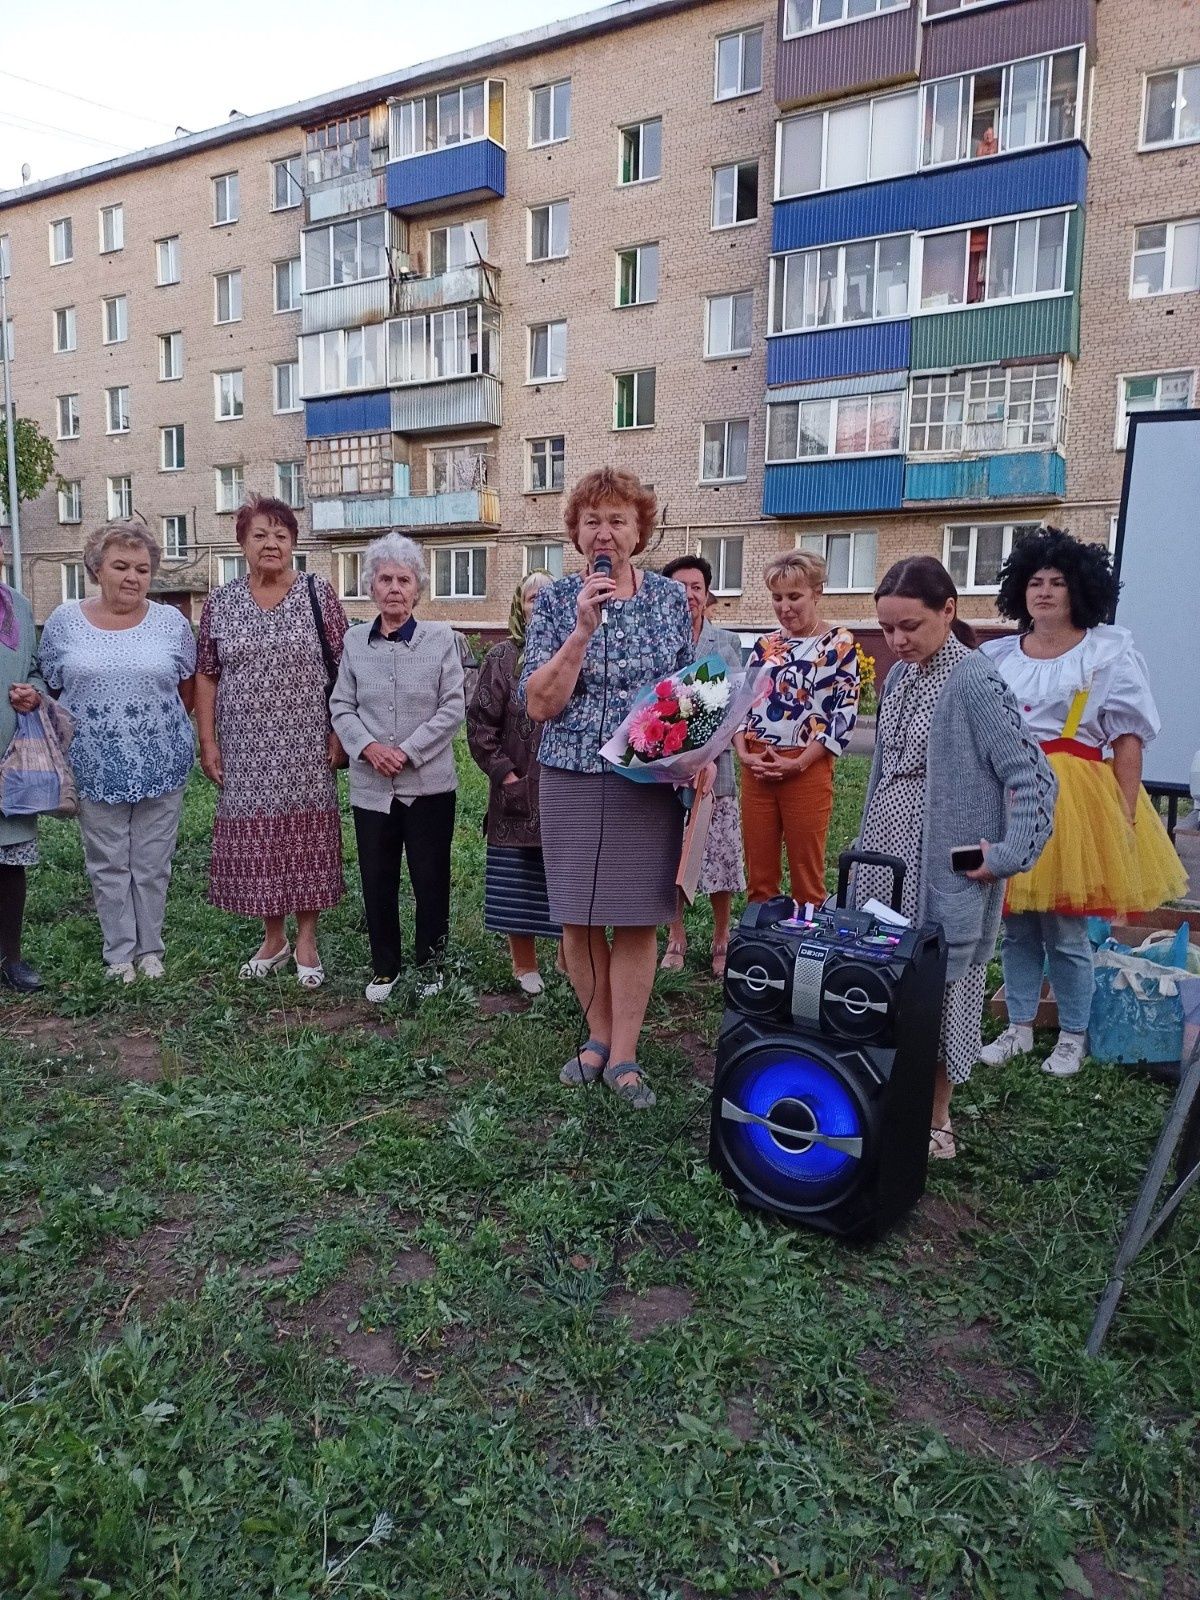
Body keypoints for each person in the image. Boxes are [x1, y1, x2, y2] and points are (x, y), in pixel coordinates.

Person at [855, 557, 1056, 1160]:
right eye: (887, 629)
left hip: (940, 861)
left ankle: (937, 1116)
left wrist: (1008, 854)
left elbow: (1033, 776)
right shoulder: (897, 677)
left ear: (948, 611)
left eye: (909, 626)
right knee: (883, 975)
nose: (897, 641)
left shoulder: (973, 678)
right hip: (883, 854)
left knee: (940, 982)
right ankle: (885, 1094)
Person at [980, 528, 1187, 1078]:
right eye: (1034, 581)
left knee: (1066, 929)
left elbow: (1127, 742)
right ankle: (1020, 1026)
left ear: (1080, 591)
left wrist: (1122, 816)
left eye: (1057, 582)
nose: (1044, 592)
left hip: (1076, 802)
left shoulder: (1106, 653)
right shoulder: (1000, 656)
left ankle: (1073, 1033)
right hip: (1014, 793)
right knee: (1018, 923)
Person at [521, 467, 693, 1109]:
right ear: (575, 532)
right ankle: (594, 1037)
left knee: (636, 918)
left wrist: (699, 754)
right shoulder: (560, 601)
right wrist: (581, 630)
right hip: (570, 774)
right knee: (578, 917)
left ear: (639, 530)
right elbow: (539, 705)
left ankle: (625, 1053)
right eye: (593, 520)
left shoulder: (671, 600)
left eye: (618, 520)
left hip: (645, 782)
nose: (605, 532)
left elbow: (688, 693)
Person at [196, 496, 347, 988]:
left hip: (306, 742)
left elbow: (346, 668)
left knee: (305, 838)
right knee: (260, 839)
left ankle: (306, 939)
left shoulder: (317, 593)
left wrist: (339, 730)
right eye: (260, 534)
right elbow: (207, 674)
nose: (271, 543)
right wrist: (208, 741)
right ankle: (273, 937)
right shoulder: (221, 603)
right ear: (241, 542)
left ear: (294, 545)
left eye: (282, 535)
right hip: (245, 746)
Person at [39, 521, 196, 982]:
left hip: (162, 762)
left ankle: (150, 950)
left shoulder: (170, 623)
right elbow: (52, 685)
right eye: (121, 566)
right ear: (96, 569)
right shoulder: (65, 621)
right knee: (108, 862)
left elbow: (187, 685)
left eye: (143, 569)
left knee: (151, 862)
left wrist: (156, 730)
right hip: (93, 764)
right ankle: (119, 954)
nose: (133, 576)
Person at [330, 532, 465, 1004]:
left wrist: (405, 751)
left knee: (430, 877)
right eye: (384, 578)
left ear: (417, 588)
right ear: (371, 586)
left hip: (428, 785)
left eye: (403, 579)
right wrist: (367, 747)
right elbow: (341, 705)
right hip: (372, 788)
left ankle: (431, 965)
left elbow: (452, 707)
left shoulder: (441, 639)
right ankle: (384, 966)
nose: (393, 588)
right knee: (377, 877)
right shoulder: (353, 641)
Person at [734, 551, 859, 907]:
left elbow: (844, 715)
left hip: (805, 768)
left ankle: (806, 952)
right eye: (777, 597)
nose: (785, 607)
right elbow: (742, 705)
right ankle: (762, 952)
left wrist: (799, 763)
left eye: (794, 596)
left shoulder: (840, 645)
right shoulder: (765, 645)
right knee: (759, 874)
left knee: (807, 875)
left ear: (816, 592)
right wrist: (743, 753)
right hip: (756, 766)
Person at [466, 571, 562, 995]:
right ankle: (524, 965)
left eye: (548, 596)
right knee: (518, 880)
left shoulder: (575, 652)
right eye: (530, 598)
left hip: (565, 789)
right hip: (517, 786)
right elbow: (480, 724)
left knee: (566, 878)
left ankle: (567, 959)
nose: (539, 604)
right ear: (518, 607)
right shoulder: (502, 657)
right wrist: (506, 774)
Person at [660, 553, 745, 978]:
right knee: (673, 853)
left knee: (721, 853)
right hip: (668, 768)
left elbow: (733, 708)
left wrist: (707, 757)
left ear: (708, 594)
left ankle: (721, 936)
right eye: (679, 588)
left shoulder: (727, 642)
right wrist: (679, 759)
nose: (689, 595)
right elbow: (654, 709)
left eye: (696, 587)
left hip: (716, 767)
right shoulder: (657, 642)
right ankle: (675, 935)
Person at [0, 540, 48, 992]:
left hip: (11, 759)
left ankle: (10, 959)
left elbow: (34, 668)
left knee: (10, 862)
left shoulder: (16, 604)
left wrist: (32, 690)